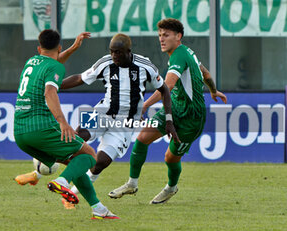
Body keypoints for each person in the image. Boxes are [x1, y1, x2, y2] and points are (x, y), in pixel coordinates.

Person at [109, 18, 227, 204]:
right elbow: (205, 72)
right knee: (142, 139)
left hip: (191, 118)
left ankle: (171, 188)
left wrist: (145, 105)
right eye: (160, 35)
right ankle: (132, 183)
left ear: (178, 36)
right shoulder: (185, 52)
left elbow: (168, 85)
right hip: (175, 108)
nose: (161, 39)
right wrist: (213, 90)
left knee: (170, 158)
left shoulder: (180, 55)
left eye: (166, 35)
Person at [57, 33, 178, 209]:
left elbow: (165, 90)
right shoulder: (105, 63)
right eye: (112, 52)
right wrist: (55, 85)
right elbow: (80, 78)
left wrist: (169, 120)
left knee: (100, 163)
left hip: (126, 124)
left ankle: (71, 194)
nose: (114, 56)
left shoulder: (145, 66)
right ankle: (52, 172)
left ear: (128, 51)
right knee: (76, 138)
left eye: (118, 52)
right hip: (101, 112)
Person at [13, 29, 119, 219]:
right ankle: (62, 181)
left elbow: (52, 64)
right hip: (40, 127)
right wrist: (62, 122)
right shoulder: (56, 68)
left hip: (20, 133)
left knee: (75, 162)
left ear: (39, 48)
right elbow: (49, 93)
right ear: (59, 46)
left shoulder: (31, 62)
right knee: (89, 155)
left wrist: (73, 49)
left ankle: (98, 209)